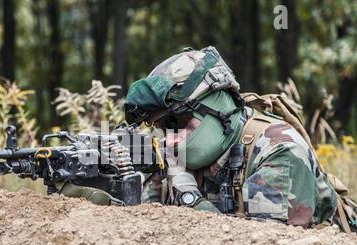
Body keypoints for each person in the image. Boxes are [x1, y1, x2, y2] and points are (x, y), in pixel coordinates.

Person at [123, 46, 338, 229]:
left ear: (217, 107)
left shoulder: (279, 151)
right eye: (162, 128)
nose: (171, 140)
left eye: (176, 123)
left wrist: (188, 196)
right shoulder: (176, 156)